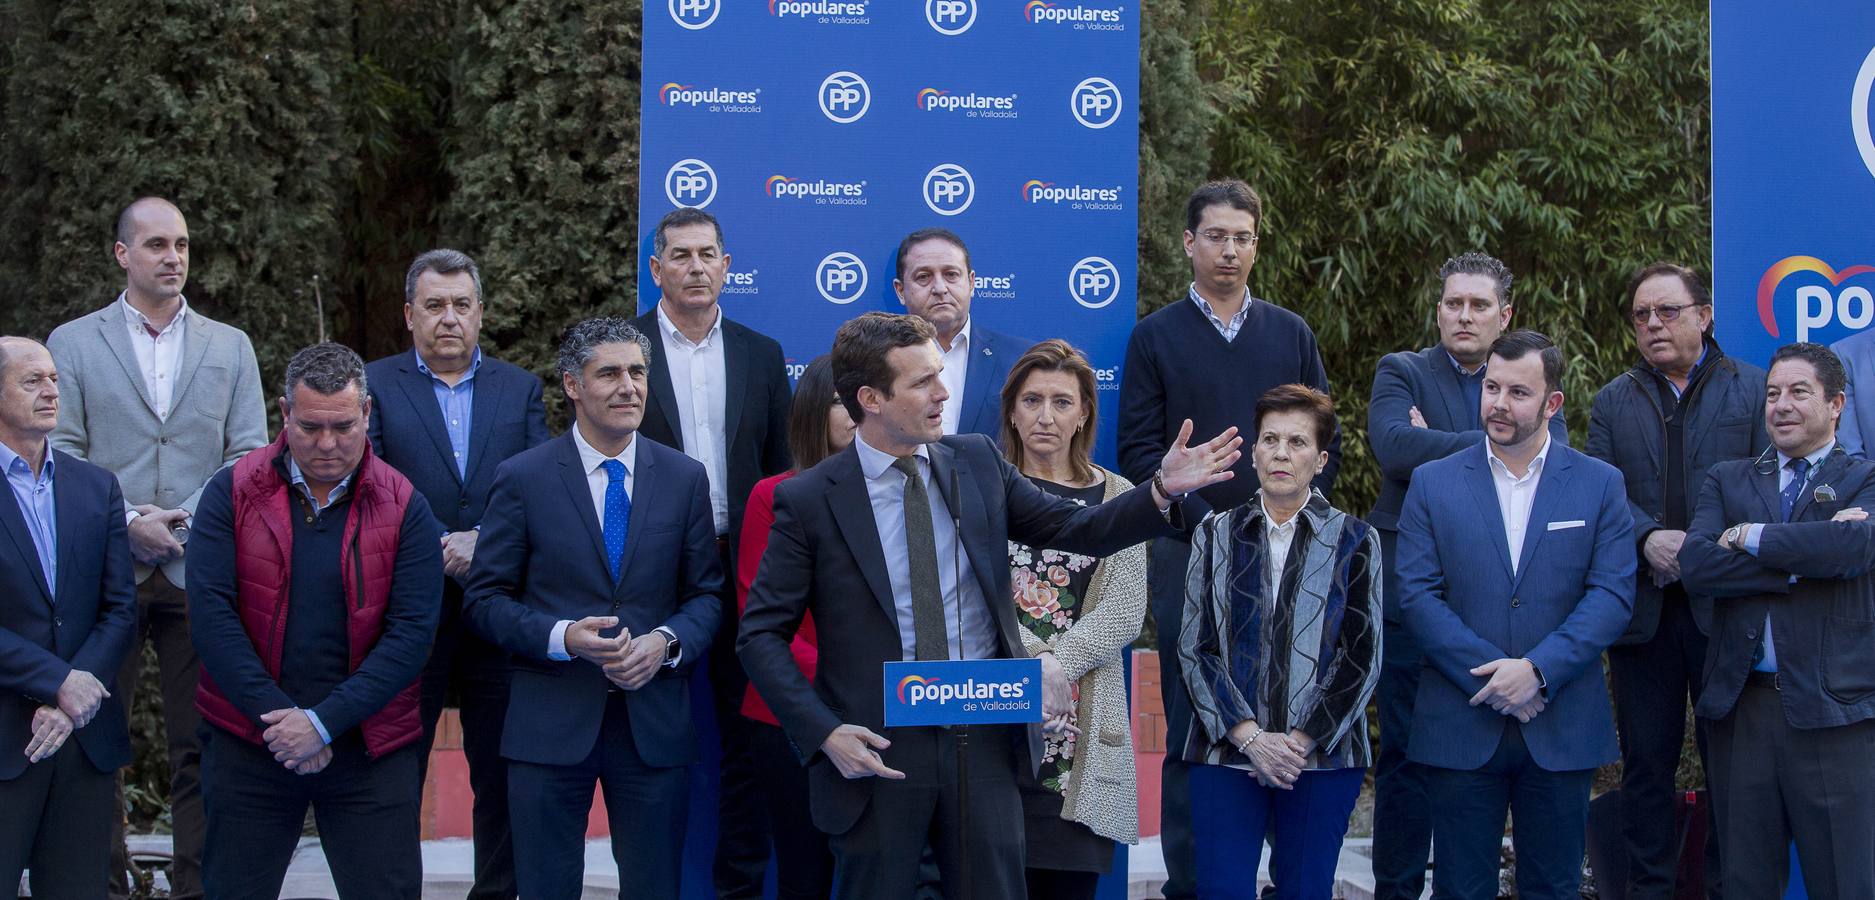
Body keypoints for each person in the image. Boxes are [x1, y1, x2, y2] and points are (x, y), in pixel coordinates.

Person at [738, 312, 1239, 898]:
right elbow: (760, 636)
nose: (943, 391)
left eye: (939, 375)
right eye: (922, 381)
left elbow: (1082, 529)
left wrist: (1159, 491)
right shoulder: (808, 500)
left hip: (984, 742)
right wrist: (824, 732)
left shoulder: (974, 461)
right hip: (877, 752)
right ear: (870, 398)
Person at [1116, 179, 1336, 898]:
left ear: (1255, 244)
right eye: (1216, 235)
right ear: (1189, 242)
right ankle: (1198, 885)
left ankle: (1289, 879)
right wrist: (1213, 526)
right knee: (1198, 722)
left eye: (1242, 237)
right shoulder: (1154, 337)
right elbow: (1137, 453)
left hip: (1286, 557)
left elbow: (1318, 439)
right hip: (1189, 555)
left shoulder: (1290, 333)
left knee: (1290, 710)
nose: (1230, 250)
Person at [47, 197, 267, 899]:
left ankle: (199, 888)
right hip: (103, 566)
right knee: (93, 738)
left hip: (196, 566)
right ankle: (100, 884)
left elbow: (249, 456)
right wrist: (130, 516)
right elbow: (62, 451)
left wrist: (176, 524)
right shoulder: (74, 343)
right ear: (122, 255)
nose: (173, 257)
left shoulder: (229, 345)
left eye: (181, 244)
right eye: (156, 245)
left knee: (201, 742)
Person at [462, 317, 722, 900]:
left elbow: (706, 594)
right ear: (572, 385)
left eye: (637, 372)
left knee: (655, 887)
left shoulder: (684, 479)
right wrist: (562, 636)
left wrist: (664, 643)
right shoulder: (523, 477)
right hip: (548, 725)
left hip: (651, 725)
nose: (628, 385)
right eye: (609, 373)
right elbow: (483, 601)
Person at [187, 343, 443, 899]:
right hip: (252, 741)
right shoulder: (230, 492)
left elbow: (411, 636)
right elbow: (211, 618)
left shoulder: (405, 506)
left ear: (368, 415)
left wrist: (324, 723)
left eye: (343, 427)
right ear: (284, 413)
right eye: (310, 427)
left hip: (369, 746)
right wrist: (283, 723)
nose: (327, 444)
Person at [1397, 330, 1635, 899]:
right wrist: (1497, 675)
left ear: (1553, 403)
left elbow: (1612, 595)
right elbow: (1415, 595)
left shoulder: (1601, 484)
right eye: (1492, 388)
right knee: (1459, 888)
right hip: (1460, 720)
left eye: (1518, 392)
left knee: (1553, 888)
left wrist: (1537, 670)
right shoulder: (1433, 482)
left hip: (1561, 721)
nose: (1499, 404)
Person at [1364, 251, 1565, 899]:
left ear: (1504, 314)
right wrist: (1498, 441)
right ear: (1438, 308)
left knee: (1477, 764)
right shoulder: (1402, 370)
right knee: (1402, 758)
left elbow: (1549, 461)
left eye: (1479, 305)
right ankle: (1396, 890)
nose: (1463, 314)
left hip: (1498, 603)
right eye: (1453, 302)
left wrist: (1443, 445)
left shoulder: (1525, 372)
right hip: (1407, 599)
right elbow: (1394, 447)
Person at [364, 248, 548, 899]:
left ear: (481, 313)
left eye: (461, 305)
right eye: (434, 306)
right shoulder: (375, 386)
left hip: (496, 607)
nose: (449, 319)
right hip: (408, 609)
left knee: (499, 769)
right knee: (394, 769)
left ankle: (495, 892)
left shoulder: (519, 388)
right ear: (409, 314)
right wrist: (440, 542)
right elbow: (371, 485)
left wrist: (482, 542)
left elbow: (536, 491)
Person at [1586, 262, 1764, 898]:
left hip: (1728, 612)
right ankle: (1649, 890)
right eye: (1641, 315)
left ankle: (1724, 889)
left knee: (1734, 770)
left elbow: (1764, 490)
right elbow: (1601, 495)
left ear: (1704, 315)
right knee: (1646, 768)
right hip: (1644, 613)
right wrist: (1644, 538)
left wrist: (1701, 548)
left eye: (1667, 311)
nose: (1653, 325)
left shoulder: (1753, 390)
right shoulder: (1612, 400)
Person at [633, 207, 792, 898]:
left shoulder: (761, 353)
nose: (695, 267)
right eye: (680, 255)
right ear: (657, 269)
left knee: (747, 741)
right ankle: (652, 884)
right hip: (648, 571)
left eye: (707, 254)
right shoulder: (625, 348)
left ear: (727, 266)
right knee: (647, 741)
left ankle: (738, 886)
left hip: (746, 566)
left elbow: (784, 468)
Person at [1679, 342, 1875, 900]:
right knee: (1744, 882)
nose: (1781, 405)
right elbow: (1697, 565)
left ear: (1836, 404)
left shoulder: (1865, 478)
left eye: (1798, 392)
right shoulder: (1730, 477)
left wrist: (1750, 538)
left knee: (1845, 881)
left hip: (1835, 712)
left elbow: (1852, 550)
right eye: (1772, 394)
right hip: (1743, 709)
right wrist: (1797, 565)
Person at [1179, 383, 1380, 900]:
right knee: (1221, 890)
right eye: (1270, 440)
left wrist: (1298, 742)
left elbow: (1362, 654)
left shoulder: (1357, 540)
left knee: (1306, 891)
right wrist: (1250, 738)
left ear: (1320, 458)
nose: (1282, 454)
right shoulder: (1215, 533)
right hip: (1226, 754)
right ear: (1253, 453)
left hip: (1320, 759)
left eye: (1297, 442)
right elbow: (1195, 648)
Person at [999, 339, 1150, 899]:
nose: (1045, 415)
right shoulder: (979, 488)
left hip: (1078, 733)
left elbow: (1124, 610)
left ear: (1084, 412)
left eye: (1062, 402)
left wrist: (1053, 665)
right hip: (990, 727)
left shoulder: (1119, 496)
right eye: (1032, 399)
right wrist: (1027, 670)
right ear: (1011, 409)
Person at [0, 337, 137, 899]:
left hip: (82, 743)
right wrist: (58, 682)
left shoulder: (95, 485)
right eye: (32, 381)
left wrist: (73, 696)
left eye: (53, 379)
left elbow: (120, 607)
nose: (50, 391)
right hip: (7, 735)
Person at [733, 355, 853, 900]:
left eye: (867, 394)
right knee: (804, 874)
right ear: (813, 408)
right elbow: (761, 619)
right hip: (790, 717)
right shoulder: (773, 495)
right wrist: (852, 685)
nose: (855, 410)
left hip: (885, 710)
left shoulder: (905, 491)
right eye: (840, 399)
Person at [893, 227, 1031, 438]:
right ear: (900, 291)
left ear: (972, 283)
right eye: (923, 277)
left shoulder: (1022, 360)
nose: (940, 288)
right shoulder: (877, 362)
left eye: (951, 275)